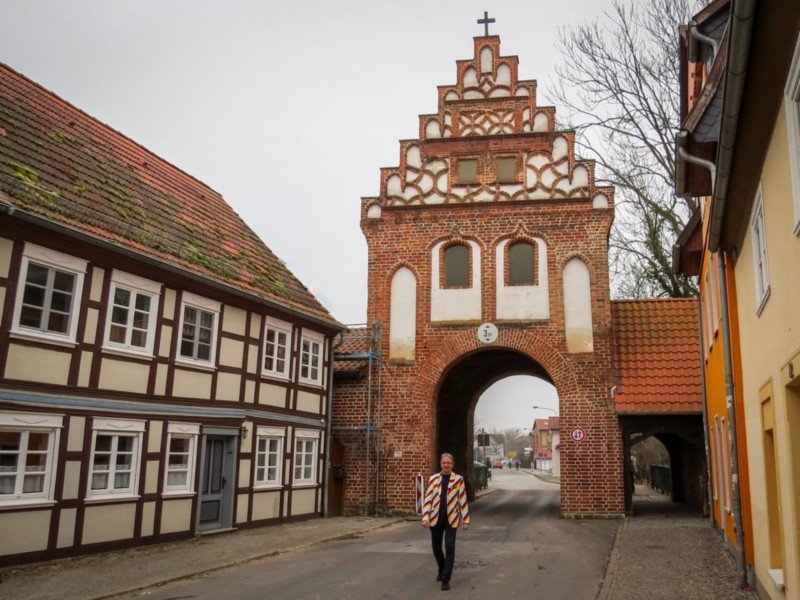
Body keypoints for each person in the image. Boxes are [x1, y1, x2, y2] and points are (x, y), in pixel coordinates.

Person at [421, 452, 470, 591]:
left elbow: (463, 500)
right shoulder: (433, 479)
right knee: (436, 547)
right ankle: (441, 568)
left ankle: (446, 579)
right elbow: (428, 499)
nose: (446, 465)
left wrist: (465, 520)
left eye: (449, 463)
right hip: (435, 518)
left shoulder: (458, 480)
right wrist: (425, 517)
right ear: (440, 464)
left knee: (449, 548)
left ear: (452, 465)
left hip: (452, 518)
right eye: (444, 463)